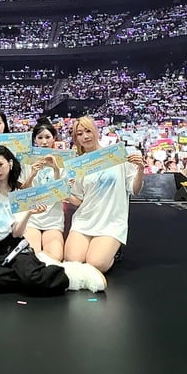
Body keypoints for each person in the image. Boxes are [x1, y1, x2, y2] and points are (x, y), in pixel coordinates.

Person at [0, 145, 70, 296]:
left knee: (31, 278)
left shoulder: (18, 193)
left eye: (0, 165)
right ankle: (31, 276)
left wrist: (29, 213)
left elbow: (17, 233)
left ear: (10, 163)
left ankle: (67, 276)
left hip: (16, 247)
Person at [63, 116, 146, 292]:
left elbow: (134, 189)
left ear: (96, 130)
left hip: (111, 222)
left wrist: (140, 170)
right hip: (85, 219)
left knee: (96, 263)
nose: (85, 136)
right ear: (76, 138)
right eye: (80, 134)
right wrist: (63, 193)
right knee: (72, 260)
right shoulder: (79, 164)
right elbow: (79, 200)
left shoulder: (116, 155)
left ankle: (113, 251)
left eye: (88, 131)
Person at [22, 118, 65, 262]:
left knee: (55, 257)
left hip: (53, 219)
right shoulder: (27, 161)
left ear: (54, 138)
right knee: (31, 255)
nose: (44, 142)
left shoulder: (63, 161)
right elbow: (23, 192)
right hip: (32, 217)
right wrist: (32, 174)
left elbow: (62, 194)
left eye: (47, 137)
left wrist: (56, 170)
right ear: (35, 140)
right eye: (40, 138)